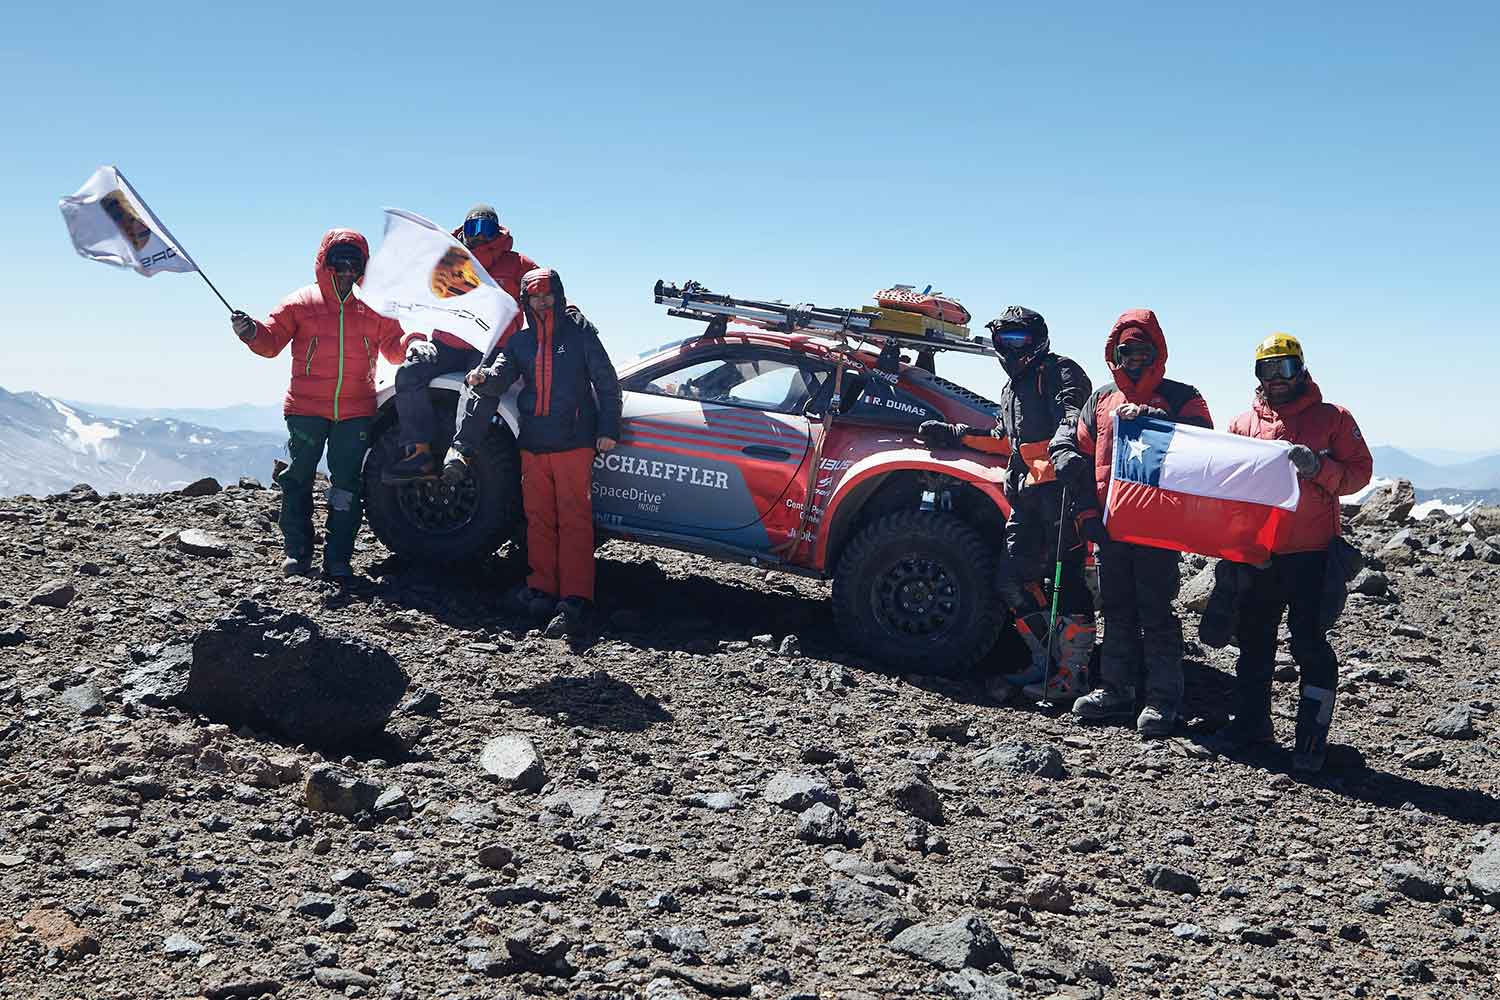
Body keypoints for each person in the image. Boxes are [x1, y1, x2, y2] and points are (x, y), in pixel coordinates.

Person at [917, 306, 1095, 702]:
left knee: (1067, 586)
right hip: (1027, 498)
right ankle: (1047, 659)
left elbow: (1075, 416)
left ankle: (1074, 675)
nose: (1010, 348)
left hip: (1062, 493)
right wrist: (955, 435)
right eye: (1003, 340)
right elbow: (1004, 438)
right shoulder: (1012, 388)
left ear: (1038, 340)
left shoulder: (1059, 371)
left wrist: (1065, 451)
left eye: (1018, 340)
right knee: (1011, 581)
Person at [1219, 333, 1372, 771]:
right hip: (1259, 553)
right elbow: (1227, 488)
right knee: (1253, 642)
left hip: (1313, 553)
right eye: (1267, 370)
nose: (1276, 378)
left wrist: (1318, 467)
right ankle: (1251, 727)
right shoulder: (1242, 425)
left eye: (1284, 368)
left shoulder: (1333, 419)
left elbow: (1359, 473)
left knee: (1308, 643)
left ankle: (1310, 737)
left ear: (1300, 368)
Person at [1066, 310, 1213, 737]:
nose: (1133, 358)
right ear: (1114, 353)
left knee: (1156, 611)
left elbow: (1205, 447)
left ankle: (1163, 700)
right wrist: (1087, 515)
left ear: (1157, 352)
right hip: (1111, 524)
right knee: (1115, 608)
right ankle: (1116, 690)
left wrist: (1153, 419)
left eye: (1142, 350)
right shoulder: (1100, 399)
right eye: (1125, 351)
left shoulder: (1182, 396)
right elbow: (1081, 455)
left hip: (1159, 525)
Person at [230, 229, 409, 578]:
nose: (345, 270)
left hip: (355, 412)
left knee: (346, 486)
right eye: (338, 262)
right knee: (297, 479)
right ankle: (297, 553)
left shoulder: (374, 308)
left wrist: (414, 342)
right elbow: (270, 341)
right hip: (305, 410)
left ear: (362, 268)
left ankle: (338, 559)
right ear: (325, 263)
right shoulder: (300, 303)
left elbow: (394, 346)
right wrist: (250, 332)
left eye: (353, 264)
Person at [455, 268, 622, 638]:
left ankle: (577, 596)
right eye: (534, 297)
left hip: (574, 443)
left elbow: (607, 383)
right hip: (533, 443)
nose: (542, 302)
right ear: (525, 301)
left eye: (548, 295)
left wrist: (609, 430)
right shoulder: (520, 343)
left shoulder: (581, 335)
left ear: (559, 297)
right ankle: (541, 589)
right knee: (538, 518)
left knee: (575, 520)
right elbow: (500, 377)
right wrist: (481, 378)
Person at [384, 204, 538, 483]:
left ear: (498, 231)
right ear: (463, 230)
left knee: (481, 383)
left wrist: (569, 311)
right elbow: (424, 298)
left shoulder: (517, 264)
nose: (480, 236)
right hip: (448, 342)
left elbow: (543, 289)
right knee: (409, 373)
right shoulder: (449, 259)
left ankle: (460, 452)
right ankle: (418, 452)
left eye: (487, 229)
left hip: (490, 345)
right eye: (473, 228)